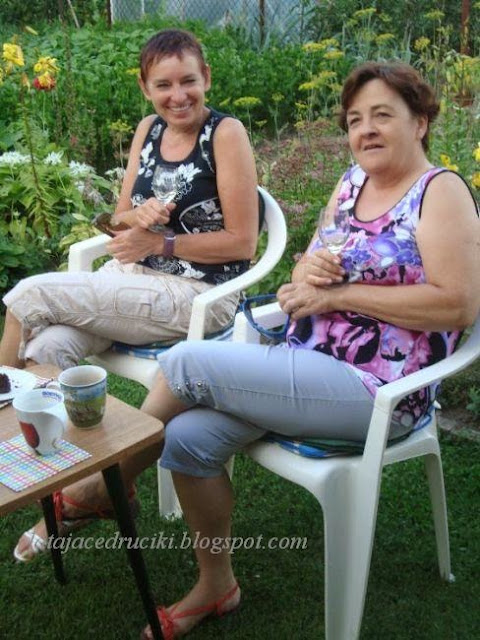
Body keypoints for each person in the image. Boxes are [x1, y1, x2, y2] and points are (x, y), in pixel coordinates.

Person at [15, 60, 480, 640]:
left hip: (380, 389)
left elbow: (458, 306)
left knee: (185, 363)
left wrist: (341, 296)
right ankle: (217, 586)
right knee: (187, 439)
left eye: (382, 115)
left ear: (421, 121)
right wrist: (306, 278)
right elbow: (306, 272)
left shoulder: (440, 191)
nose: (366, 130)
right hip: (310, 363)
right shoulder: (352, 184)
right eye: (356, 119)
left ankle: (97, 488)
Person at [0, 28, 259, 371]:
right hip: (132, 275)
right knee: (46, 348)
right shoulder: (149, 129)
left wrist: (159, 244)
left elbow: (243, 243)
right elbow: (118, 221)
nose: (178, 96)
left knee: (28, 296)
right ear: (144, 87)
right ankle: (40, 407)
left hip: (199, 292)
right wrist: (138, 216)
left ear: (206, 78)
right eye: (163, 85)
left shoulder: (225, 134)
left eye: (188, 81)